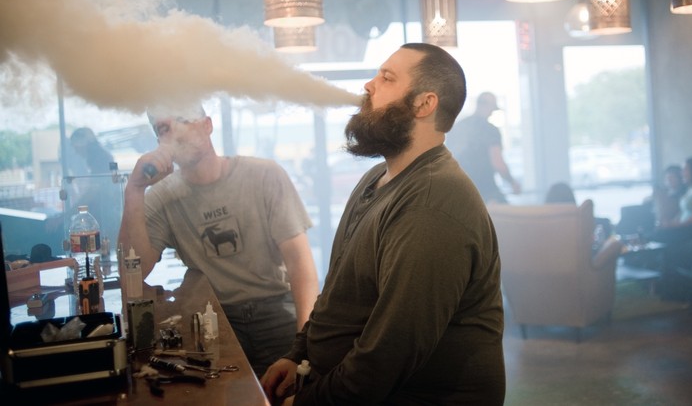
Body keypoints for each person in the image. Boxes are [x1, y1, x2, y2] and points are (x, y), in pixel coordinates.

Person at [260, 43, 505, 405]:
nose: (368, 86)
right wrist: (298, 356)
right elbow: (340, 292)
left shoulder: (432, 202)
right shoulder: (378, 178)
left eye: (386, 78)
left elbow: (391, 351)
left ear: (424, 104)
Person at [117, 103, 319, 376]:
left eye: (182, 119)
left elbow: (300, 266)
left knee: (289, 392)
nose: (175, 132)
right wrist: (135, 189)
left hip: (276, 308)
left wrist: (303, 344)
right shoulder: (162, 196)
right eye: (164, 128)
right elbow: (133, 273)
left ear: (207, 125)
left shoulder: (264, 174)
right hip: (214, 318)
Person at [653, 157, 692, 300]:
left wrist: (672, 226)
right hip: (684, 227)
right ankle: (663, 280)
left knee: (659, 236)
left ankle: (669, 284)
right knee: (658, 233)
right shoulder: (690, 189)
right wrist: (668, 223)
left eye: (685, 169)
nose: (682, 172)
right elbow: (682, 213)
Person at [448, 91, 521, 203]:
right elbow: (497, 162)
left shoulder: (458, 127)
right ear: (485, 105)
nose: (492, 112)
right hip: (486, 191)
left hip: (459, 191)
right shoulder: (490, 130)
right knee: (507, 218)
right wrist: (512, 183)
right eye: (492, 108)